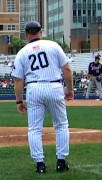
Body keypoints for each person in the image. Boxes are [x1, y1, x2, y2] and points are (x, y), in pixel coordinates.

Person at [12, 21, 73, 174]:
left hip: (34, 88)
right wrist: (70, 89)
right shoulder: (53, 45)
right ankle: (61, 162)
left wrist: (19, 100)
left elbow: (18, 80)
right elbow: (67, 69)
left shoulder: (22, 52)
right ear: (41, 31)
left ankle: (40, 165)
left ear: (26, 35)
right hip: (54, 86)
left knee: (34, 129)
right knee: (61, 125)